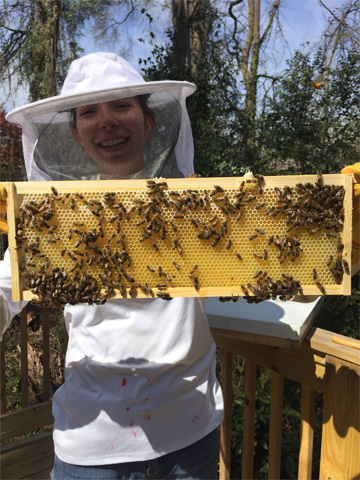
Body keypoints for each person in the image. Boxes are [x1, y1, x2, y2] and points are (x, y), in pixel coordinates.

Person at [0, 52, 224, 480]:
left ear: (149, 121)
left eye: (121, 106)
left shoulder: (197, 212)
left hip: (191, 437)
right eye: (90, 113)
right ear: (78, 135)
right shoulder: (58, 220)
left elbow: (288, 276)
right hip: (92, 447)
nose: (107, 121)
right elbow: (3, 288)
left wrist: (346, 247)